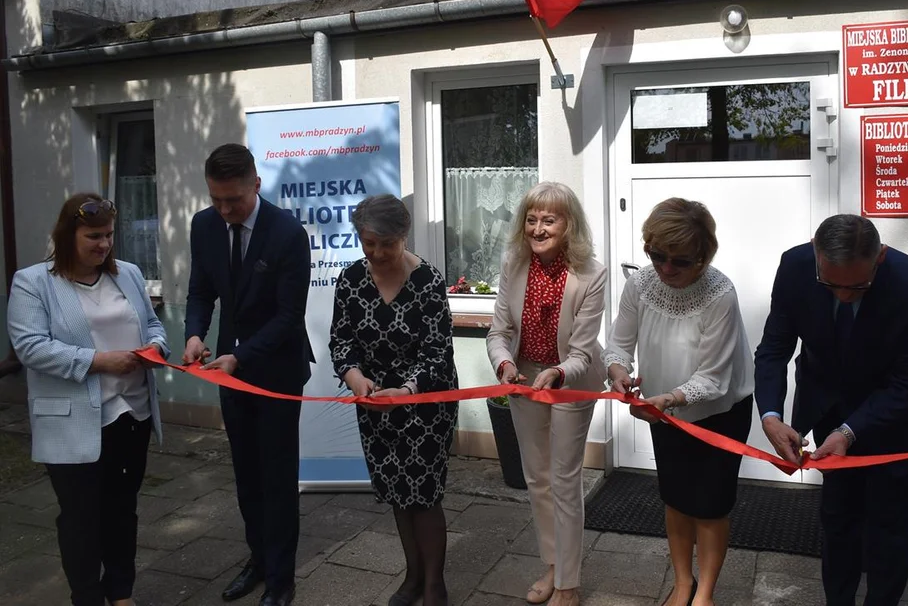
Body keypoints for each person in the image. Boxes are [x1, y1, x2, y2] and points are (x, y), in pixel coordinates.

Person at [754, 214, 908, 606]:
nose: (844, 296)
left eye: (858, 286)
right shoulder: (795, 266)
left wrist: (850, 431)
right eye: (831, 284)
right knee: (837, 520)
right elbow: (774, 348)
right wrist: (770, 416)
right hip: (828, 410)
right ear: (816, 252)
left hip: (895, 422)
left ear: (880, 257)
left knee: (888, 529)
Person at [7, 193, 168, 606]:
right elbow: (31, 348)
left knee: (122, 511)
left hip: (132, 414)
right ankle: (87, 597)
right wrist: (99, 361)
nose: (104, 244)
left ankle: (121, 593)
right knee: (81, 519)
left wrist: (156, 347)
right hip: (74, 422)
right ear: (68, 235)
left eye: (109, 235)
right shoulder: (33, 282)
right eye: (93, 236)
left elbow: (152, 324)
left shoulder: (128, 273)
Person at [605, 198, 754, 606]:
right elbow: (618, 344)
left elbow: (713, 378)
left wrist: (667, 400)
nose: (666, 269)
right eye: (657, 256)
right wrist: (618, 374)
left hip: (718, 411)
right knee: (675, 498)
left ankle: (704, 594)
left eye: (680, 261)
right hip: (665, 412)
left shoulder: (720, 294)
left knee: (710, 506)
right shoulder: (640, 284)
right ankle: (683, 582)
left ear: (703, 258)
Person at [183, 144, 312, 606]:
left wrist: (240, 357)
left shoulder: (288, 233)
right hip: (228, 373)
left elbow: (288, 316)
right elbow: (200, 291)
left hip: (276, 372)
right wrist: (195, 334)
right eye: (216, 199)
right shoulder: (204, 225)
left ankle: (281, 580)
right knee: (246, 477)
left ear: (256, 184)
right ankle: (258, 560)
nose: (224, 210)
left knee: (276, 478)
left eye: (233, 200)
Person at [330, 194, 458, 606]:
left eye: (387, 243)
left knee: (423, 492)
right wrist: (354, 377)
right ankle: (413, 576)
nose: (378, 252)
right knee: (397, 490)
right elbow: (341, 341)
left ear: (404, 236)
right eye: (369, 243)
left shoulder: (428, 281)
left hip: (425, 404)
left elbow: (437, 353)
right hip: (375, 404)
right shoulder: (351, 280)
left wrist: (406, 391)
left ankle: (434, 584)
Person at [487, 182, 607, 606]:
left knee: (564, 480)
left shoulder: (592, 274)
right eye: (531, 219)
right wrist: (505, 365)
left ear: (568, 224)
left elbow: (582, 353)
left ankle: (569, 585)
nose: (538, 229)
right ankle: (554, 565)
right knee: (537, 479)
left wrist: (557, 372)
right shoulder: (513, 262)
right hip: (525, 378)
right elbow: (499, 332)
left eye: (549, 220)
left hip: (570, 380)